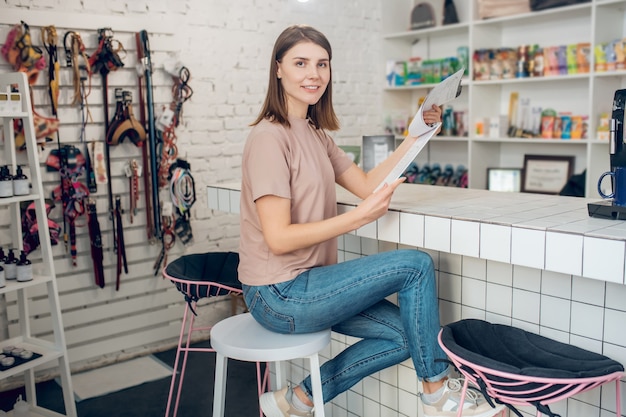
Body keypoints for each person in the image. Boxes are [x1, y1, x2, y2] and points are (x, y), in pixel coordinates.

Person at [238, 24, 503, 417]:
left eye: (322, 64)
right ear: (278, 69)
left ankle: (298, 400)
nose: (314, 74)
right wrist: (357, 220)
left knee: (407, 336)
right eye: (301, 63)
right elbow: (277, 238)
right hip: (277, 295)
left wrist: (418, 133)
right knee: (415, 265)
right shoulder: (269, 138)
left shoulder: (314, 133)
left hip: (308, 284)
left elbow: (366, 185)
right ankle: (437, 393)